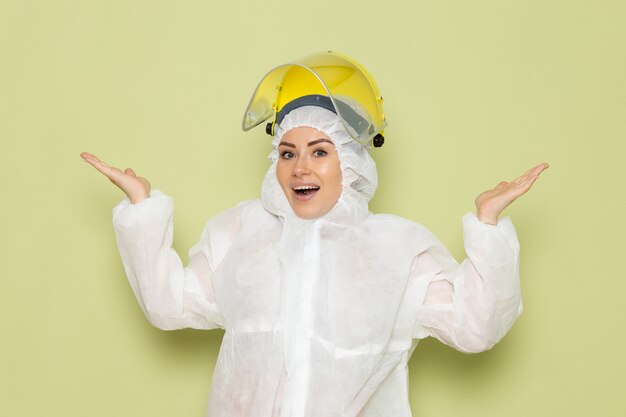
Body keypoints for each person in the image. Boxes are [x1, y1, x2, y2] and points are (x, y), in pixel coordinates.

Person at [81, 52, 548, 417]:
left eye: (319, 151)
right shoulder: (240, 233)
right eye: (287, 153)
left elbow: (476, 327)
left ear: (351, 160)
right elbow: (169, 305)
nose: (300, 167)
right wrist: (142, 209)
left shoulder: (398, 250)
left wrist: (488, 226)